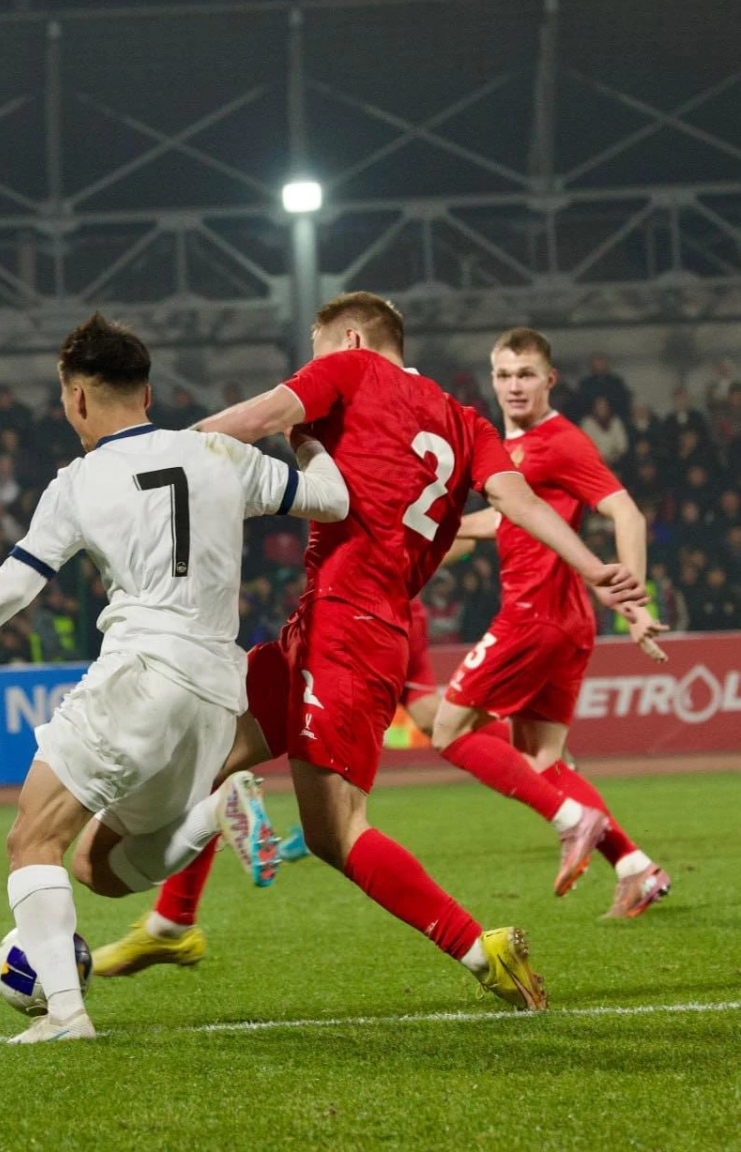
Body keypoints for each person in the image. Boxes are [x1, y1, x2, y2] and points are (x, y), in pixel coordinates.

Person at [90, 292, 647, 1008]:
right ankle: (174, 917)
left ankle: (484, 950)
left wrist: (152, 461)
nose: (313, 367)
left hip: (346, 630)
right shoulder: (465, 419)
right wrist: (591, 564)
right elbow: (519, 502)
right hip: (338, 624)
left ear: (350, 337)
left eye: (317, 351)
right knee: (206, 745)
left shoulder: (348, 366)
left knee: (337, 832)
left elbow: (255, 419)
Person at [0, 312, 350, 1044]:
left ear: (76, 399)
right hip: (214, 696)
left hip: (140, 673)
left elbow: (17, 582)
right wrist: (311, 442)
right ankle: (214, 810)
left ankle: (67, 1014)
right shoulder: (221, 453)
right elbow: (336, 501)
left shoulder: (79, 481)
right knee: (100, 865)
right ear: (149, 392)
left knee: (30, 839)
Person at [432, 327, 670, 918]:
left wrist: (635, 598)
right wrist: (432, 529)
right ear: (493, 379)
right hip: (564, 622)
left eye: (526, 374)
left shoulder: (561, 442)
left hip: (533, 616)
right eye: (505, 375)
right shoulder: (510, 449)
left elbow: (626, 513)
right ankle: (637, 869)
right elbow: (503, 522)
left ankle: (571, 820)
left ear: (549, 379)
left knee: (449, 731)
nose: (515, 386)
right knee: (544, 763)